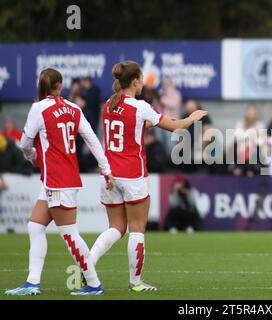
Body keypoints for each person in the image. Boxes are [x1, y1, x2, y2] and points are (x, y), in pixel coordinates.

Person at [89, 61, 207, 292]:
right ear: (134, 82)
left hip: (110, 174)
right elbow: (176, 126)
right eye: (141, 79)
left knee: (115, 227)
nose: (143, 83)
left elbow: (128, 128)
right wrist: (193, 117)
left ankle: (88, 264)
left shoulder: (108, 105)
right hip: (133, 175)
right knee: (136, 228)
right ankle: (136, 282)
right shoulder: (140, 107)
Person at [5, 68, 114, 296]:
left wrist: (33, 157)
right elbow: (92, 139)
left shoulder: (38, 108)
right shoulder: (74, 108)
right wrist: (106, 169)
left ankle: (94, 283)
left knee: (69, 234)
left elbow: (25, 142)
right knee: (35, 227)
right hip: (61, 179)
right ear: (60, 86)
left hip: (57, 180)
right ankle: (33, 282)